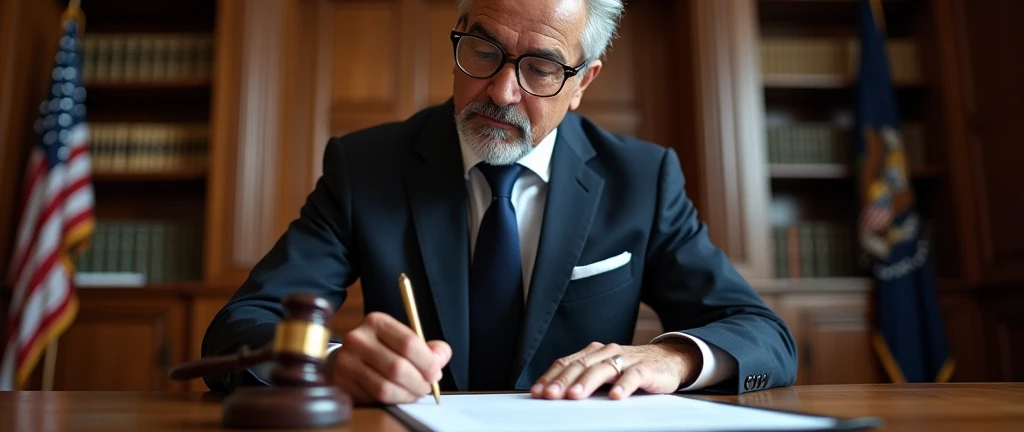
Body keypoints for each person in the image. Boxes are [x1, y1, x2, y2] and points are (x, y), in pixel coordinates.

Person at [201, 0, 797, 404]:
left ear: (584, 81)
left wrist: (672, 359)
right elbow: (240, 329)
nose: (501, 91)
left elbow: (762, 334)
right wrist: (328, 363)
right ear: (457, 37)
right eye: (483, 52)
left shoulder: (642, 179)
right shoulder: (366, 167)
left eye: (540, 69)